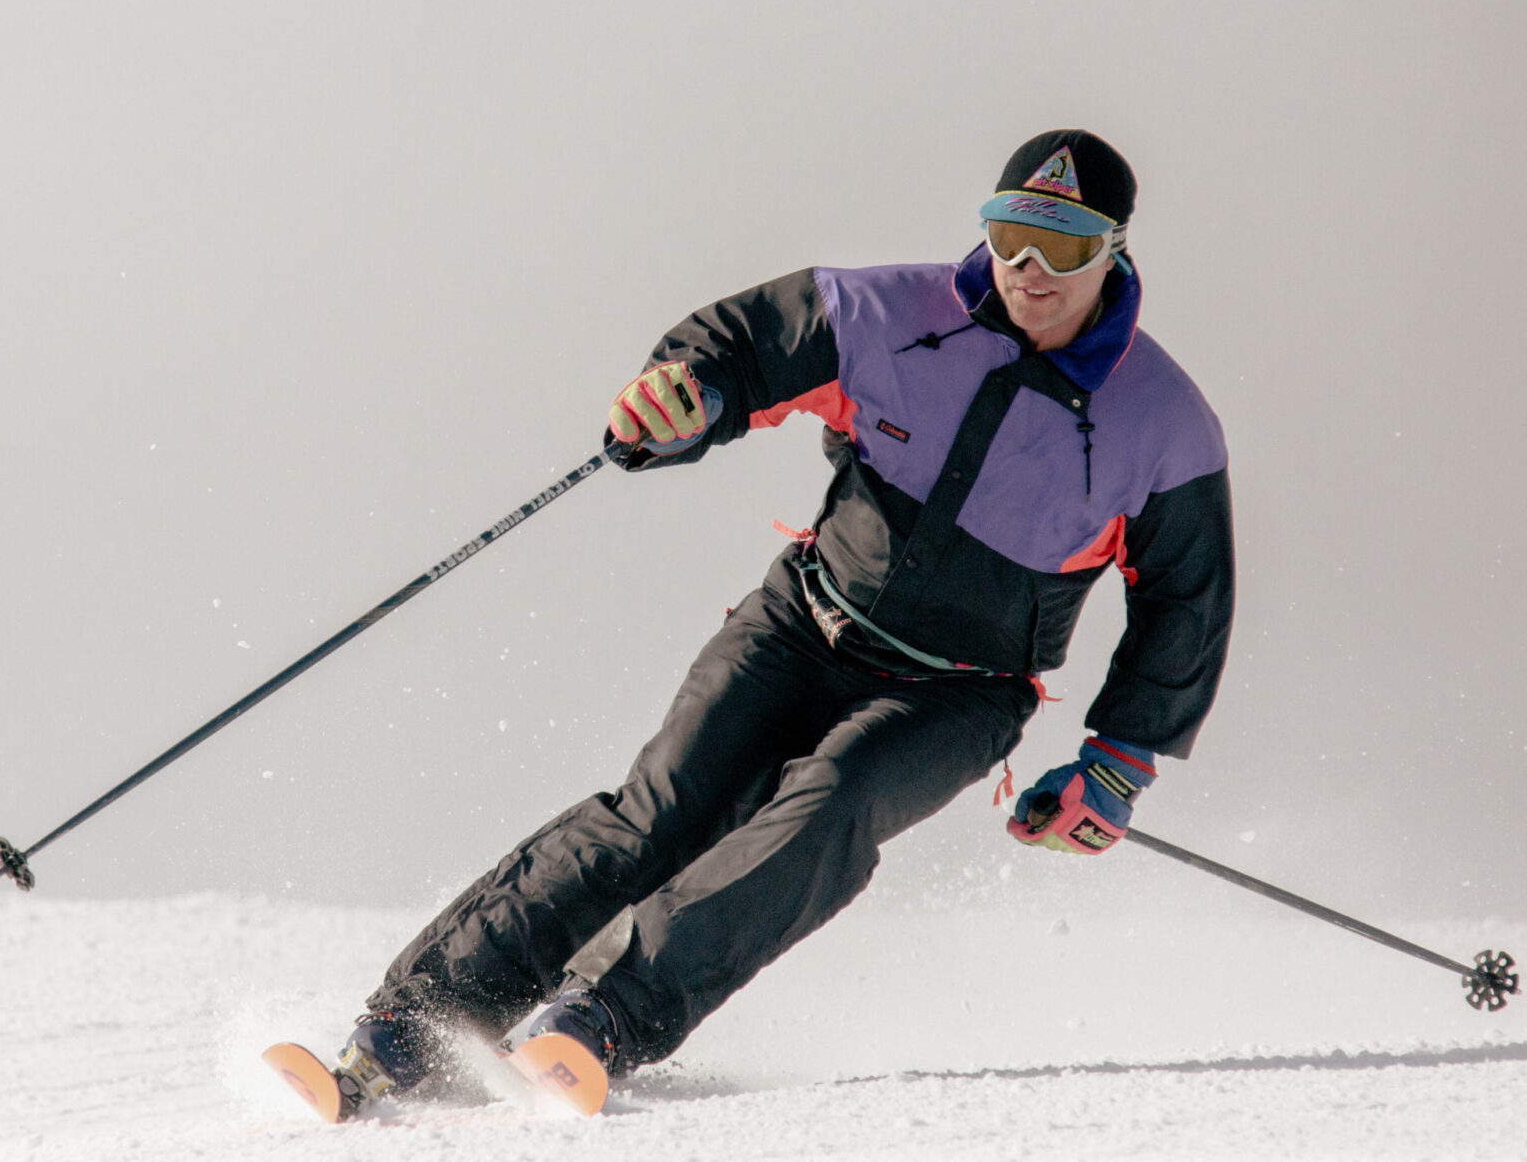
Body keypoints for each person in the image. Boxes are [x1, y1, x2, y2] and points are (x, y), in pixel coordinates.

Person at [329, 129, 1235, 1115]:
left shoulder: (1163, 422)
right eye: (1011, 235)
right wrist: (685, 397)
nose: (1029, 269)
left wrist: (1115, 765)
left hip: (957, 693)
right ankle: (406, 1031)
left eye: (1062, 246)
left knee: (830, 808)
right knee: (659, 816)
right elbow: (739, 349)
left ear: (1113, 250)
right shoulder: (887, 314)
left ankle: (600, 1020)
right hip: (802, 621)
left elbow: (1184, 597)